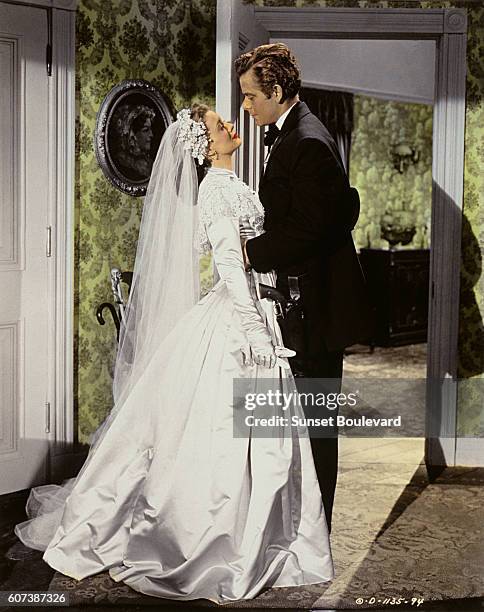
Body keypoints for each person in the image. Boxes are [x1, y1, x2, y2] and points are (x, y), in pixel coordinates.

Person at [15, 105, 334, 603]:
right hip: (237, 318)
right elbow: (230, 263)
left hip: (252, 307)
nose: (232, 127)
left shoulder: (235, 183)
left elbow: (255, 253)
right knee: (224, 438)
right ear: (205, 148)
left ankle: (269, 538)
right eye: (219, 127)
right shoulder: (218, 189)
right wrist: (255, 334)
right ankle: (215, 544)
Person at [235, 43, 372, 532]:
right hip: (302, 302)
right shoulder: (293, 132)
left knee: (316, 425)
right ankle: (299, 524)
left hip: (316, 308)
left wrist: (250, 252)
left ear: (276, 91)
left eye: (250, 97)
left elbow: (309, 230)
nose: (246, 107)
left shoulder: (308, 139)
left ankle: (317, 532)